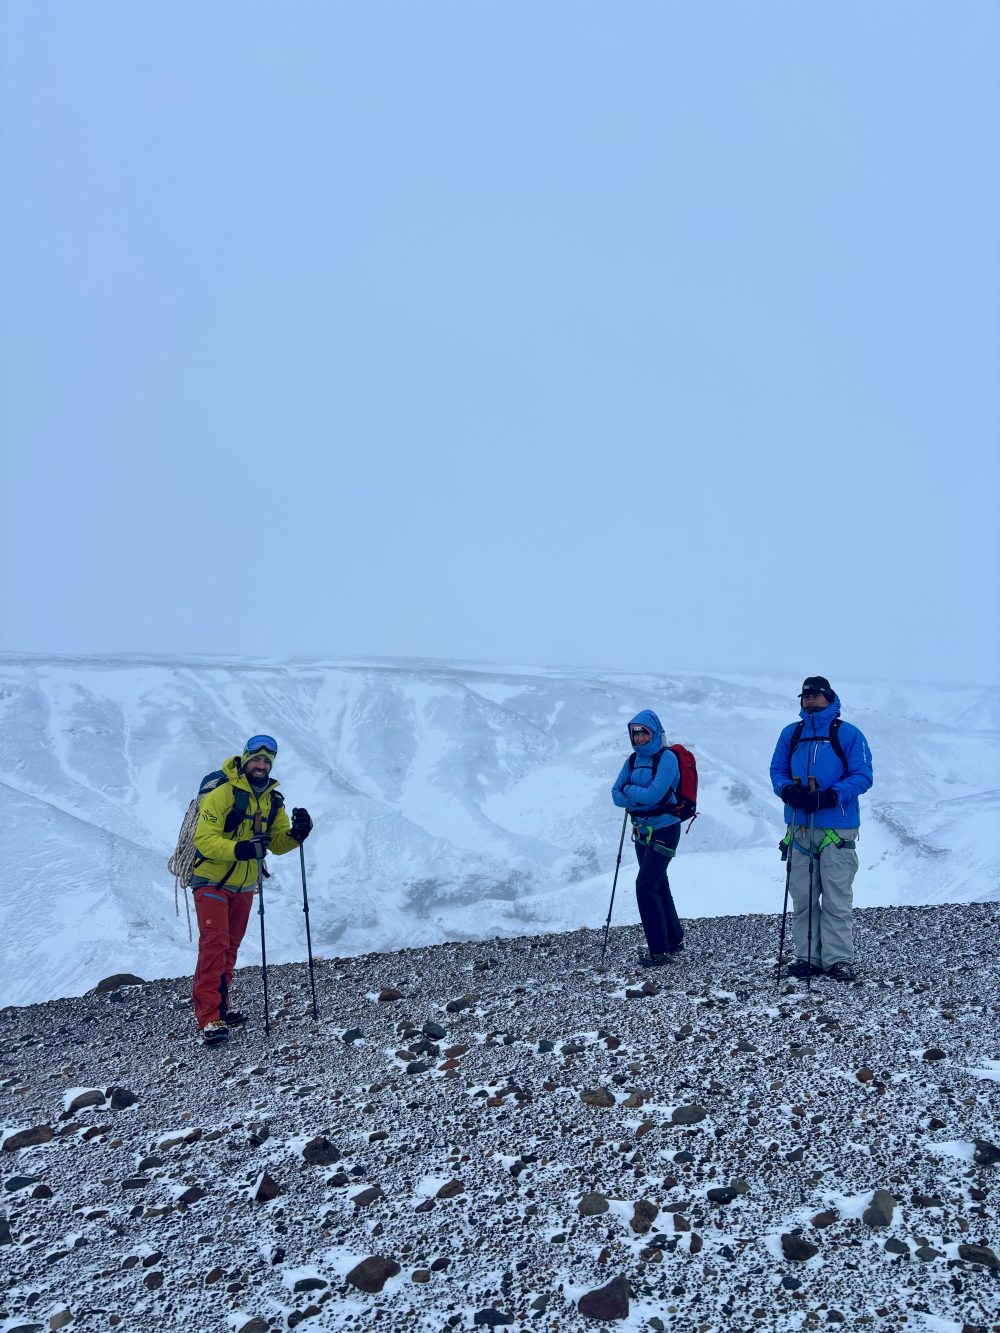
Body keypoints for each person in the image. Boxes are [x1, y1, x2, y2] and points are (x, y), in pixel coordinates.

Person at [191, 735, 313, 1044]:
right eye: (256, 759)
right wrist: (241, 849)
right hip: (212, 881)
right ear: (245, 760)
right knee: (215, 946)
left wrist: (299, 834)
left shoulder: (272, 800)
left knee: (229, 947)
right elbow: (203, 839)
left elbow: (278, 842)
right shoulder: (222, 794)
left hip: (245, 885)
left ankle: (221, 1007)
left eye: (266, 761)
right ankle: (209, 1019)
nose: (260, 765)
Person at [769, 677, 873, 982]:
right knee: (802, 896)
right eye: (806, 696)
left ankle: (838, 959)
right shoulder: (792, 734)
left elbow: (863, 775)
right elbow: (777, 770)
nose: (811, 700)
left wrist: (830, 795)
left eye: (816, 696)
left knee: (836, 897)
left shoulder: (848, 734)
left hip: (837, 828)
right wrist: (786, 789)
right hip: (800, 827)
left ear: (829, 698)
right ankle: (809, 957)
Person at [611, 710, 684, 967]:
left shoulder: (667, 758)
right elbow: (614, 794)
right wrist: (634, 794)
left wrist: (629, 791)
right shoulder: (632, 761)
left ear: (654, 732)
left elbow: (653, 795)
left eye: (644, 732)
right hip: (642, 831)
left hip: (665, 830)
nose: (639, 738)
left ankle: (658, 951)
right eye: (635, 733)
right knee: (658, 884)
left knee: (645, 886)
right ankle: (674, 939)